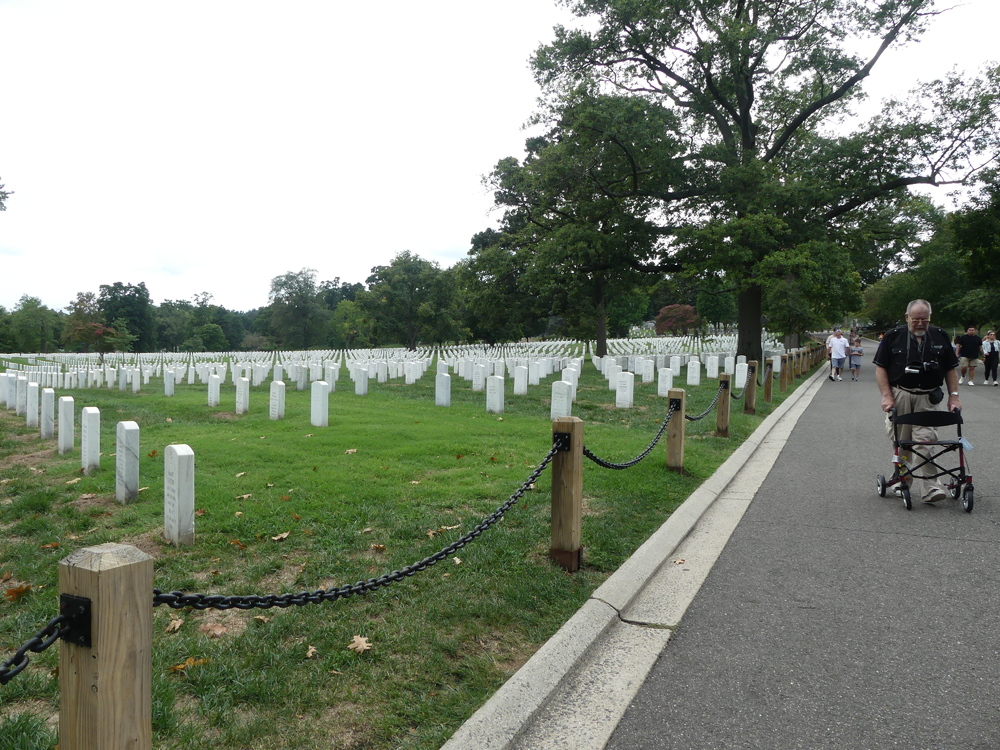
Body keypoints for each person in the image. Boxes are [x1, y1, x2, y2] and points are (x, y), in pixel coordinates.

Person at [874, 299, 960, 504]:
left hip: (928, 397)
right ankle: (901, 478)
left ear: (930, 318)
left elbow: (950, 369)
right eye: (916, 319)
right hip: (901, 394)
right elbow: (881, 368)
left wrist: (954, 396)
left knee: (926, 441)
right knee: (903, 442)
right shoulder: (893, 337)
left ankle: (931, 487)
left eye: (925, 319)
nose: (920, 323)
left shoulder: (940, 335)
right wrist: (886, 395)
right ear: (907, 318)